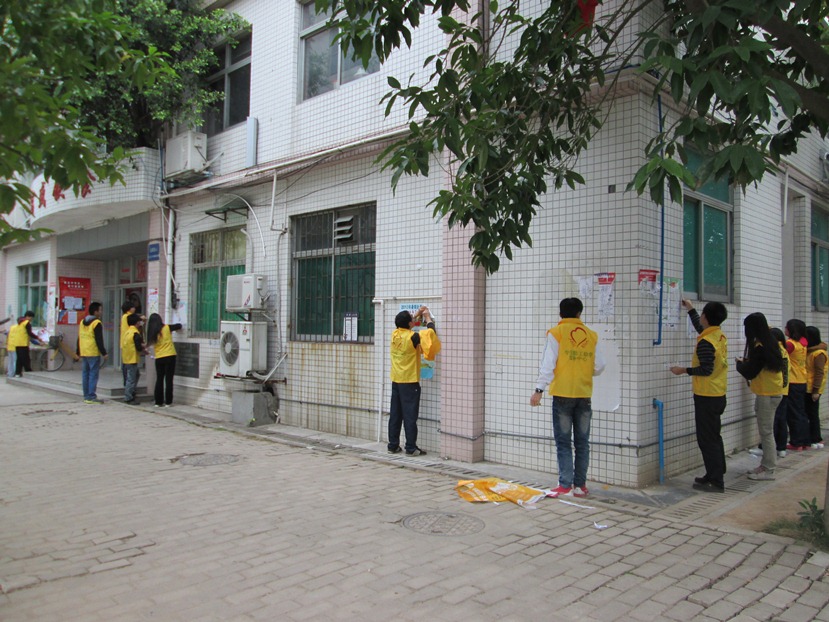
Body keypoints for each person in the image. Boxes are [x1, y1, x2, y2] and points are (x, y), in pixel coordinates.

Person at [530, 297, 606, 498]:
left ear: (560, 313)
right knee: (582, 442)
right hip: (584, 394)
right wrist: (584, 371)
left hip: (562, 394)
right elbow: (600, 366)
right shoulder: (591, 335)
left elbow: (548, 364)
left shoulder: (556, 333)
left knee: (563, 442)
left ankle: (565, 485)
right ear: (579, 313)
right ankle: (580, 486)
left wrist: (539, 390)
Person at [671, 299, 728, 493]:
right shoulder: (717, 335)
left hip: (707, 396)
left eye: (702, 314)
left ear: (706, 317)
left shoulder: (706, 342)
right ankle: (714, 473)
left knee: (707, 439)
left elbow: (706, 369)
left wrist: (683, 370)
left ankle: (716, 481)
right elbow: (700, 327)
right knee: (714, 436)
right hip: (718, 393)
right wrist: (690, 309)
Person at [735, 313, 787, 480]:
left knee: (766, 432)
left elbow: (751, 372)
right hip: (771, 392)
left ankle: (769, 468)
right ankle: (765, 465)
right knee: (766, 431)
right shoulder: (771, 342)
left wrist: (739, 365)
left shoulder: (760, 347)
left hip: (767, 394)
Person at [387, 306, 440, 456]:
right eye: (412, 319)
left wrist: (416, 314)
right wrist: (427, 318)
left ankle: (393, 445)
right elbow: (430, 335)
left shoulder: (395, 334)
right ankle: (410, 448)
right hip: (409, 381)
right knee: (410, 415)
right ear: (410, 324)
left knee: (395, 414)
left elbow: (405, 324)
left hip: (396, 380)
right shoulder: (413, 337)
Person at [784, 319, 810, 450]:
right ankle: (805, 441)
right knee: (801, 412)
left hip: (793, 381)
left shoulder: (790, 344)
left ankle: (796, 442)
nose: (785, 329)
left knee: (793, 413)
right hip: (802, 380)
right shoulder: (803, 343)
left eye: (787, 327)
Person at [146, 313, 182, 407]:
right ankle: (168, 402)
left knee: (159, 379)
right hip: (170, 355)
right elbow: (179, 326)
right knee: (169, 380)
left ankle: (158, 402)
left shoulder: (151, 333)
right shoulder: (166, 328)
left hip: (159, 357)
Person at [76, 302, 108, 404]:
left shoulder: (82, 322)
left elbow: (79, 337)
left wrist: (78, 351)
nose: (101, 312)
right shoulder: (97, 323)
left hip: (84, 351)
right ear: (95, 312)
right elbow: (99, 339)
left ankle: (86, 396)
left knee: (85, 374)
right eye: (100, 310)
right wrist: (104, 353)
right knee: (93, 374)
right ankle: (92, 396)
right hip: (93, 351)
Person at [805, 325, 827, 449]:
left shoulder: (819, 353)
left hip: (812, 388)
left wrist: (815, 390)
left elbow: (819, 373)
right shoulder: (810, 351)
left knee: (812, 414)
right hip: (808, 386)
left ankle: (816, 438)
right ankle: (811, 437)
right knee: (809, 413)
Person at [121, 314, 147, 405]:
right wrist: (144, 347)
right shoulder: (135, 334)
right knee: (131, 379)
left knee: (134, 376)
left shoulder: (127, 332)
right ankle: (128, 397)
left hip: (126, 358)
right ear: (137, 323)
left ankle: (130, 393)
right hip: (132, 359)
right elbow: (138, 347)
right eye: (139, 321)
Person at [120, 301, 144, 386]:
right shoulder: (128, 316)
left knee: (127, 365)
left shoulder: (124, 317)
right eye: (133, 307)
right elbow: (135, 319)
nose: (134, 308)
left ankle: (128, 385)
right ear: (129, 309)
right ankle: (128, 386)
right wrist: (141, 318)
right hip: (129, 343)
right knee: (129, 368)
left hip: (125, 343)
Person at [14, 311, 42, 377]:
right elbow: (30, 333)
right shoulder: (27, 323)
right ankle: (28, 372)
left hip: (17, 343)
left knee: (19, 359)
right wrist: (38, 338)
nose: (31, 319)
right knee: (26, 359)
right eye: (31, 318)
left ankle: (17, 373)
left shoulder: (20, 322)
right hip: (23, 344)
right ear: (28, 316)